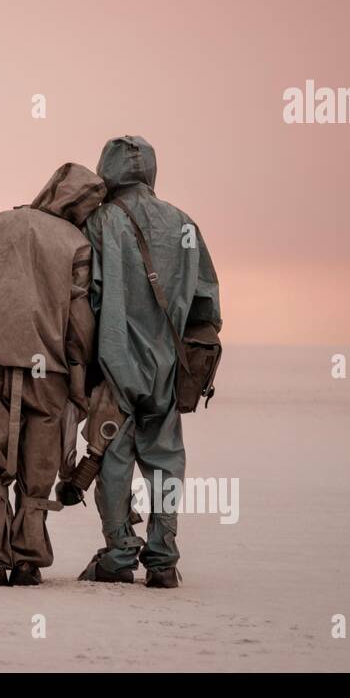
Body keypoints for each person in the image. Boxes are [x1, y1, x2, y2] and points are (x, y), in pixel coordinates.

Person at [0, 163, 106, 586]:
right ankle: (29, 560)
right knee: (40, 465)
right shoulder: (76, 243)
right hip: (46, 367)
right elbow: (80, 320)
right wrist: (78, 380)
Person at [76, 136, 221, 588]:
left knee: (112, 455)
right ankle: (163, 559)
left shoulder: (99, 221)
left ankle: (119, 553)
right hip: (167, 367)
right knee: (166, 459)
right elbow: (207, 308)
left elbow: (84, 298)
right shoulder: (184, 224)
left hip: (115, 359)